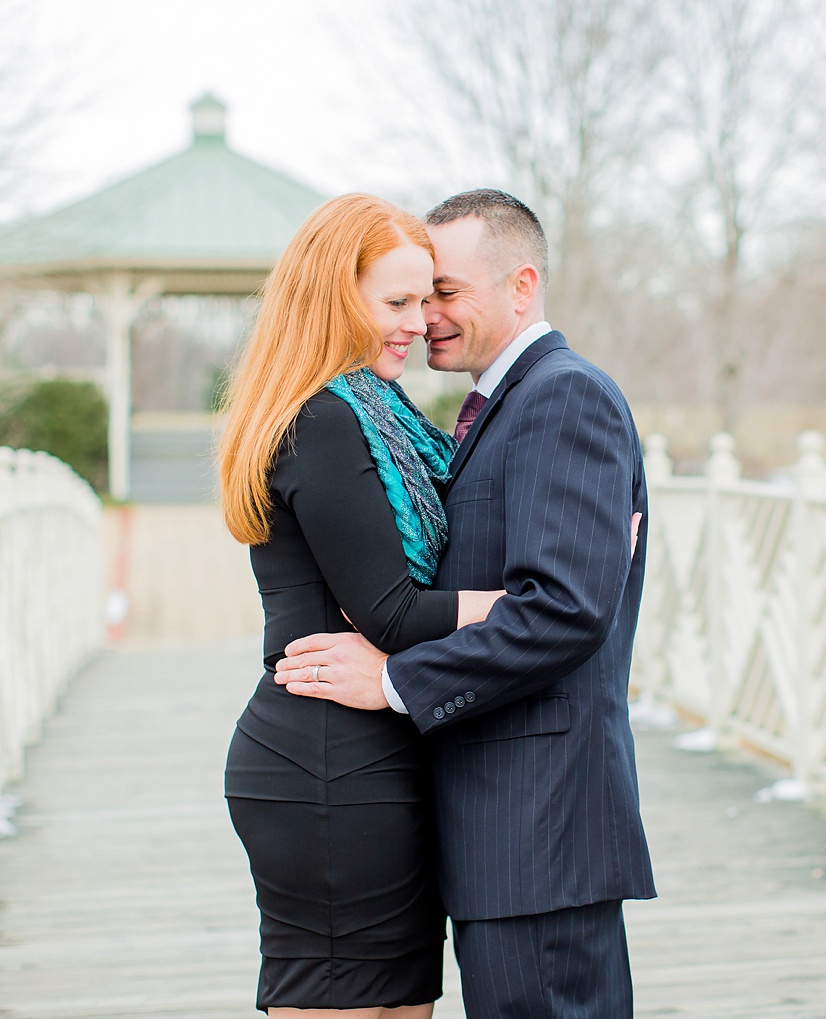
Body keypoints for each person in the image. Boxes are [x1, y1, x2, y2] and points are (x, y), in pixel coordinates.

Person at [277, 189, 656, 1019]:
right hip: (499, 828)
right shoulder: (492, 409)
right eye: (411, 297)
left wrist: (394, 680)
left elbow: (562, 608)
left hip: (538, 825)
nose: (427, 316)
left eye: (445, 292)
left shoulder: (563, 398)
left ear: (521, 286)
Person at [216, 193, 505, 1018]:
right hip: (326, 767)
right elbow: (391, 611)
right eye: (397, 302)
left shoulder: (381, 411)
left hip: (378, 753)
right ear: (334, 296)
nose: (421, 322)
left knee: (402, 1003)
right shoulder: (325, 418)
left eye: (427, 298)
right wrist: (540, 598)